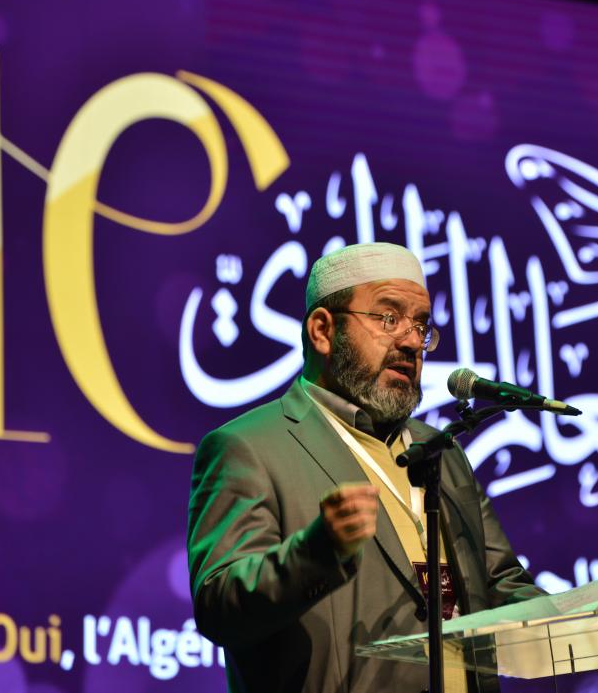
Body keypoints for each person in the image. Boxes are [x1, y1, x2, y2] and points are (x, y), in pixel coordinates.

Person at [187, 242, 543, 693]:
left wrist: (590, 613)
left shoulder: (441, 451)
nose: (411, 342)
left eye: (420, 325)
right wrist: (316, 551)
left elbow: (498, 584)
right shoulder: (249, 447)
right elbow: (220, 608)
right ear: (322, 331)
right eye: (388, 318)